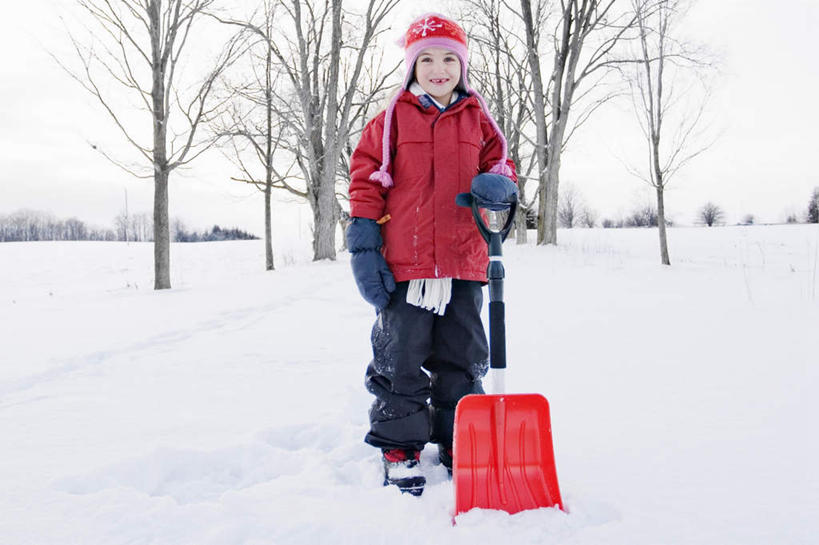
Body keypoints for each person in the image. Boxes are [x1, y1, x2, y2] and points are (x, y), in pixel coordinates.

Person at [346, 13, 519, 496]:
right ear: (411, 66)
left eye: (449, 58)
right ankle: (400, 447)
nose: (438, 68)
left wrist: (501, 189)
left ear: (462, 66)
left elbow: (503, 172)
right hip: (407, 266)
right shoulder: (389, 122)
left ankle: (457, 438)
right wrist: (364, 246)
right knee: (399, 358)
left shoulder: (479, 119)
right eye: (426, 59)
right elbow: (365, 183)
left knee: (462, 359)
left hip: (464, 263)